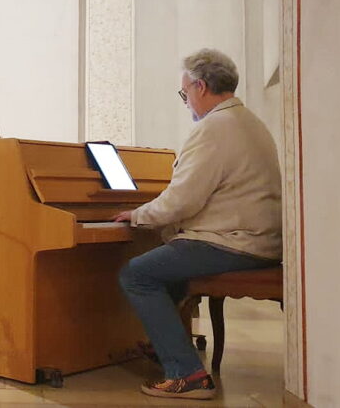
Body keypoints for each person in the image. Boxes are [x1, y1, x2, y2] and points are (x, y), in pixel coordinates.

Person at [114, 49, 282, 400]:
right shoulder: (249, 121)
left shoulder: (213, 128)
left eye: (184, 93)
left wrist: (138, 215)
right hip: (258, 239)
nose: (186, 101)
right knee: (164, 265)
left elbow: (182, 200)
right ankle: (165, 348)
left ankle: (186, 374)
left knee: (137, 274)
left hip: (233, 242)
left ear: (200, 86)